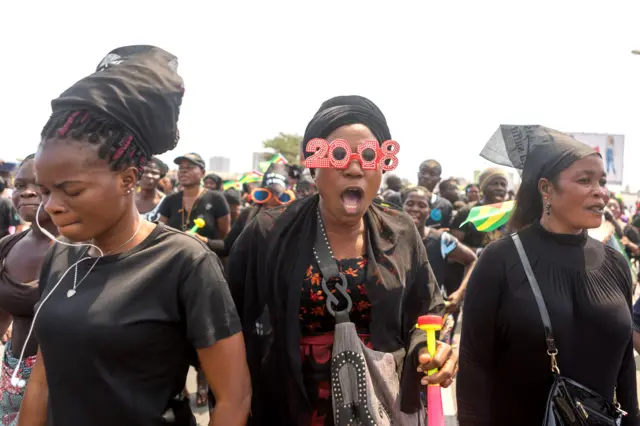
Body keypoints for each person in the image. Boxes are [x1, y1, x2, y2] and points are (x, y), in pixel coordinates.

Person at [18, 45, 251, 426]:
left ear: (128, 179)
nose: (52, 206)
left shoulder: (183, 262)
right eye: (46, 191)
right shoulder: (61, 258)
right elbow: (43, 381)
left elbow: (234, 397)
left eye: (71, 191)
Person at [228, 95, 457, 425]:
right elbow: (228, 319)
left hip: (381, 407)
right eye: (337, 156)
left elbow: (426, 309)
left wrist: (431, 349)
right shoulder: (269, 231)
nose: (353, 168)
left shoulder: (401, 230)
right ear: (314, 167)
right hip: (292, 407)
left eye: (367, 157)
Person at [457, 125, 640, 425]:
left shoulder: (615, 264)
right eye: (585, 180)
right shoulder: (500, 260)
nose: (601, 192)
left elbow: (624, 370)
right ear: (546, 189)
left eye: (602, 182)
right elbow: (473, 367)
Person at [0, 155, 57, 425]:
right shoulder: (7, 246)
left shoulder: (87, 249)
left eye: (38, 184)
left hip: (66, 381)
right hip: (14, 375)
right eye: (19, 184)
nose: (28, 192)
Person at [401, 186, 477, 345]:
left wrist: (459, 293)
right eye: (410, 203)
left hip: (430, 318)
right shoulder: (389, 238)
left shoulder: (442, 240)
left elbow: (472, 260)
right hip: (397, 317)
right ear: (402, 206)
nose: (415, 209)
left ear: (429, 211)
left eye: (422, 205)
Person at [159, 152, 231, 254]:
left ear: (203, 173)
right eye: (180, 168)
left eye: (190, 167)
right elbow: (160, 235)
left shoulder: (216, 198)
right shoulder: (170, 200)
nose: (184, 170)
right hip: (175, 263)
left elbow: (226, 244)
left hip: (206, 263)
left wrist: (203, 241)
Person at [417, 159, 453, 230]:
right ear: (418, 174)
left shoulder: (445, 206)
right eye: (423, 172)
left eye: (432, 174)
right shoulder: (398, 198)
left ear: (439, 179)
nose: (426, 176)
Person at [136, 156, 168, 222]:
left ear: (160, 176)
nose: (149, 176)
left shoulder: (165, 202)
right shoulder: (128, 197)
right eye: (145, 171)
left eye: (154, 173)